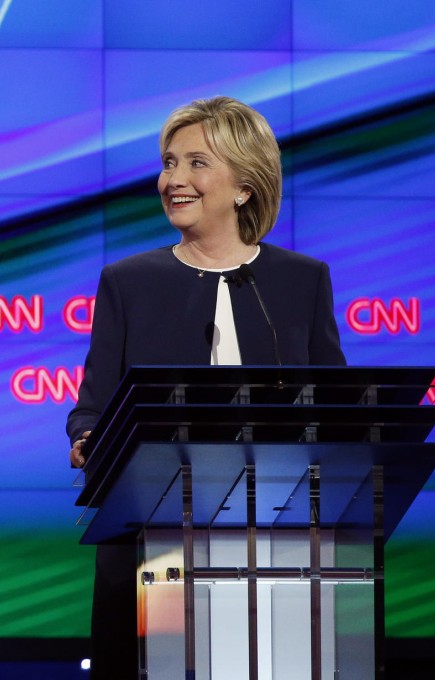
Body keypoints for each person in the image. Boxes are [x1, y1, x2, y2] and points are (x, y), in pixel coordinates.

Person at [66, 96, 346, 678]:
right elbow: (92, 406)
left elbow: (339, 407)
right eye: (169, 163)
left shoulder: (302, 280)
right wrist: (88, 437)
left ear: (245, 185)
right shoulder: (129, 282)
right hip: (154, 535)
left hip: (279, 534)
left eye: (196, 163)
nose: (174, 179)